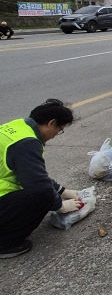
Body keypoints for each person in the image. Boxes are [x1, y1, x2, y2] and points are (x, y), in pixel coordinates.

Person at [0, 99, 82, 258]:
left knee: (42, 191)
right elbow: (38, 187)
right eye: (59, 130)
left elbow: (30, 174)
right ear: (52, 123)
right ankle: (6, 244)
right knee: (41, 197)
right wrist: (60, 205)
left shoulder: (18, 127)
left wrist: (63, 191)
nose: (55, 136)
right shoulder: (27, 143)